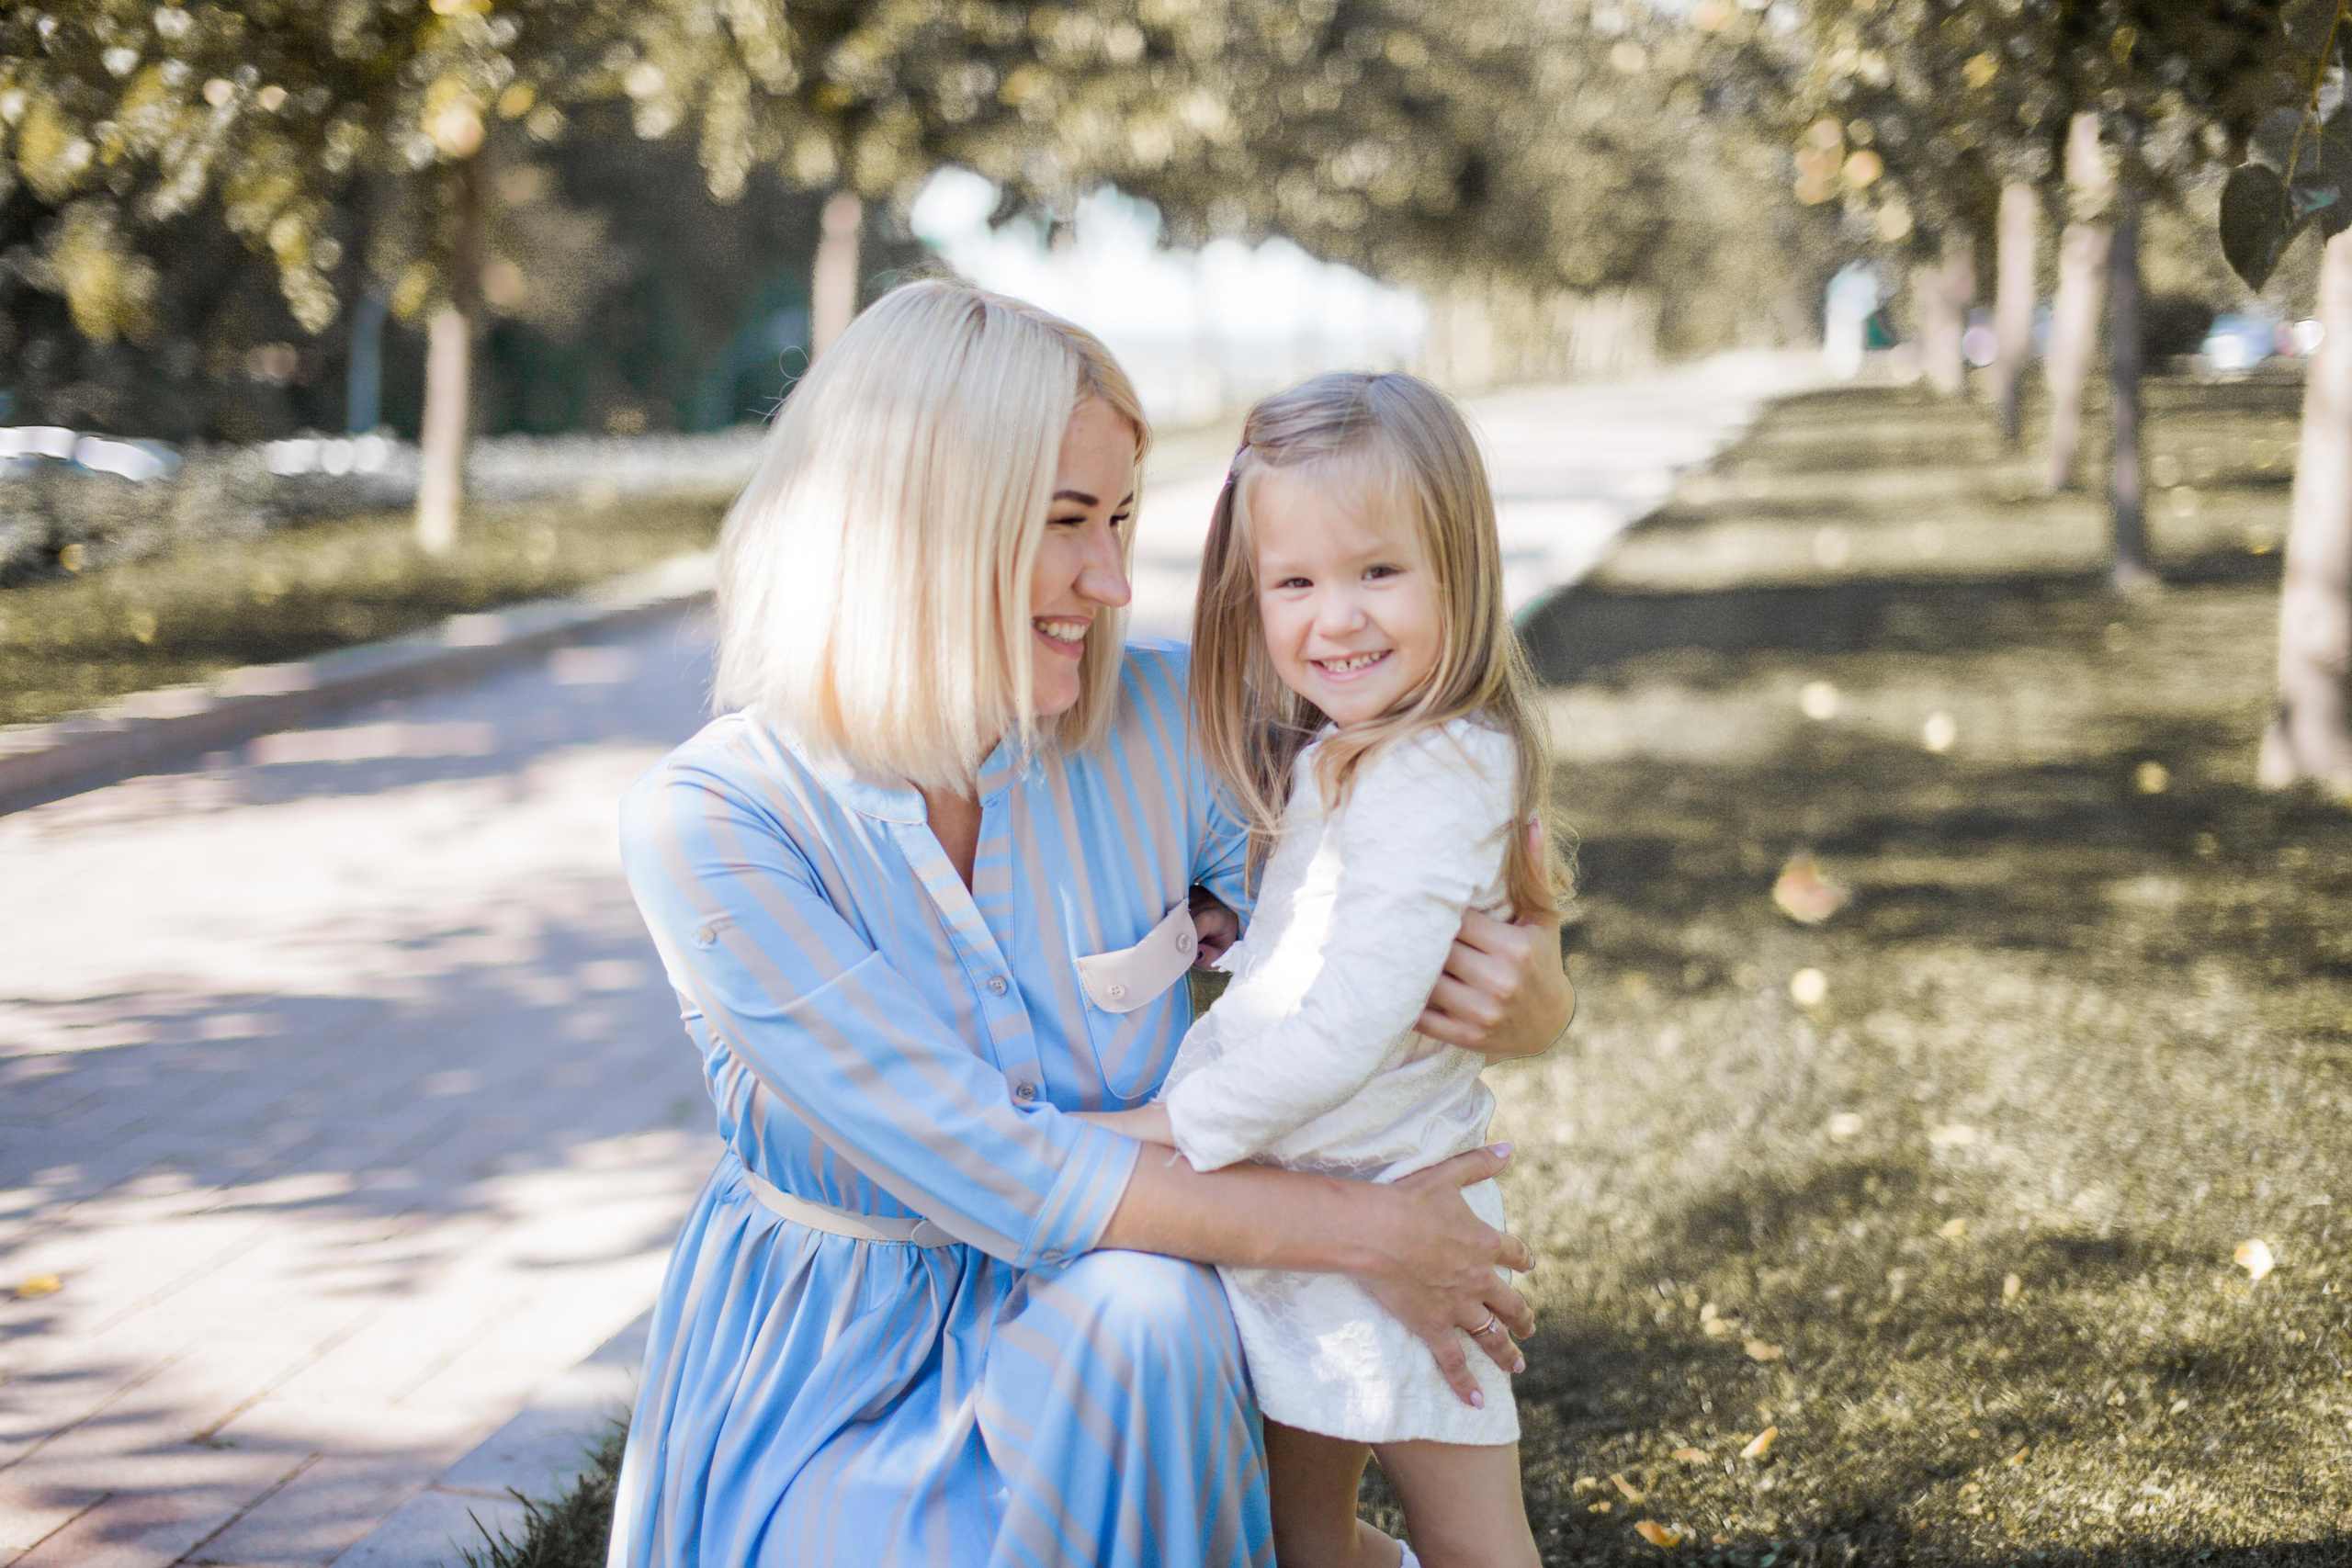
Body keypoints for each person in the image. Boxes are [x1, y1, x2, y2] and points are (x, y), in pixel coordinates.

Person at [606, 281, 1576, 1567]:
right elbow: (985, 1160)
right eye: (1069, 522)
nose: (1113, 579)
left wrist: (1536, 997)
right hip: (845, 1357)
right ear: (920, 527)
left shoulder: (1169, 729)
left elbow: (1397, 894)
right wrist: (1374, 1233)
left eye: (1120, 519)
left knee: (1146, 1316)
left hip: (1127, 1317)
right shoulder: (714, 823)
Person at [1080, 373, 1558, 1568]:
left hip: (1396, 1193)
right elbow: (1334, 947)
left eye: (1377, 571)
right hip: (1299, 1204)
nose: (1335, 619)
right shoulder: (1354, 747)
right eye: (1294, 583)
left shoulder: (1439, 768)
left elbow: (1348, 1028)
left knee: (1472, 1538)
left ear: (1461, 571)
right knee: (1298, 1541)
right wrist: (1242, 936)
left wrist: (1165, 1128)